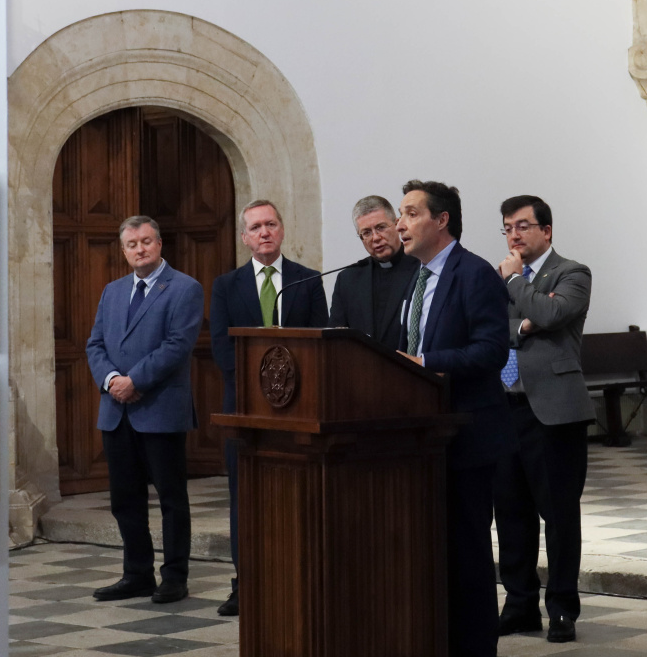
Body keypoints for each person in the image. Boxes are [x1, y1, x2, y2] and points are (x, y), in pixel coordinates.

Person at [395, 180, 513, 657]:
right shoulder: (417, 278)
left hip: (466, 436)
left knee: (467, 553)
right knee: (434, 552)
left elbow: (491, 350)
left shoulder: (474, 273)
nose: (400, 224)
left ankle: (476, 648)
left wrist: (424, 364)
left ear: (441, 220)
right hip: (423, 437)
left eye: (409, 213)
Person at [208, 199, 329, 617]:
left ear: (282, 230)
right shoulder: (226, 285)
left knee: (297, 495)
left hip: (298, 409)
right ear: (245, 237)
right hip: (244, 408)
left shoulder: (307, 280)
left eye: (271, 224)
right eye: (256, 227)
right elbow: (223, 350)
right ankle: (245, 582)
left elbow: (318, 341)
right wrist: (259, 391)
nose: (264, 232)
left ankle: (296, 576)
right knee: (245, 496)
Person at [84, 215, 203, 605]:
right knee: (125, 499)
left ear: (159, 243)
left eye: (147, 241)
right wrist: (112, 380)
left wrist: (135, 381)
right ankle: (136, 573)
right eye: (132, 244)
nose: (140, 249)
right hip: (116, 411)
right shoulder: (112, 291)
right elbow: (95, 344)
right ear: (123, 250)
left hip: (159, 409)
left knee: (171, 498)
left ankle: (175, 576)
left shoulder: (185, 288)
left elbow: (176, 345)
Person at [491, 195, 594, 644]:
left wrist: (517, 287)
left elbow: (552, 313)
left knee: (559, 515)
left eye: (522, 226)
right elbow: (496, 328)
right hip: (505, 408)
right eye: (508, 228)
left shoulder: (572, 272)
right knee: (511, 514)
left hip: (554, 412)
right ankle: (519, 606)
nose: (514, 235)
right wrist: (524, 323)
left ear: (546, 231)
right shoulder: (503, 281)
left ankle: (562, 609)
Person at [328, 195, 420, 351]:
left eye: (381, 227)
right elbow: (335, 339)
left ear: (397, 225)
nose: (376, 238)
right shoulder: (348, 279)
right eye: (366, 233)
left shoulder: (421, 269)